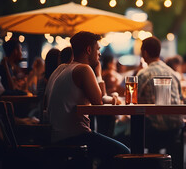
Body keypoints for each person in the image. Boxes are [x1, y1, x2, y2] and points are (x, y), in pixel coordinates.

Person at [46, 31, 129, 168]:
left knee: (109, 153)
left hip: (57, 137)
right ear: (89, 50)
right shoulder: (83, 69)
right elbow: (99, 102)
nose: (100, 54)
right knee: (124, 154)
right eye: (98, 49)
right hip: (74, 137)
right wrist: (98, 73)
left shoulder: (63, 68)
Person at [137, 36, 183, 167]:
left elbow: (133, 101)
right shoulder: (173, 73)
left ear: (145, 53)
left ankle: (144, 162)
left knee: (129, 133)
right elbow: (179, 97)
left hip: (155, 129)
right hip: (176, 127)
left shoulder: (144, 73)